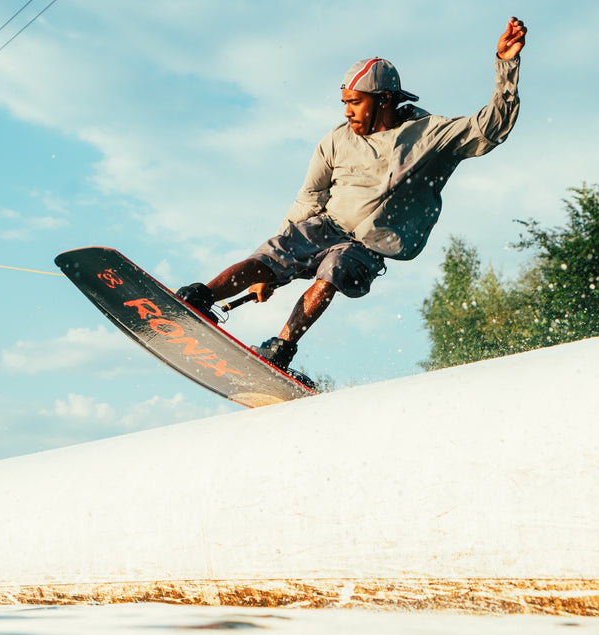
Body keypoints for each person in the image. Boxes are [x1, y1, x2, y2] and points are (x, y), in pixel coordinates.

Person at [178, 17, 527, 373]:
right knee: (274, 252)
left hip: (370, 244)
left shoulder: (428, 136)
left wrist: (506, 65)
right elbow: (308, 199)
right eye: (344, 102)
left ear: (384, 99)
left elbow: (492, 128)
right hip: (328, 224)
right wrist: (268, 270)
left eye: (356, 103)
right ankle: (199, 298)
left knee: (334, 268)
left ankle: (280, 350)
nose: (347, 111)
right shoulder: (335, 140)